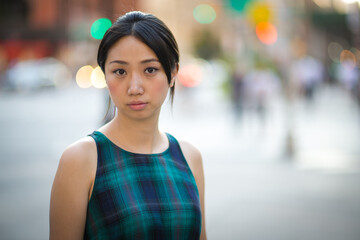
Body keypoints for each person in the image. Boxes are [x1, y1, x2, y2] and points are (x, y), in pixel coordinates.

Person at [50, 11, 206, 240]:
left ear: (172, 73)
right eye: (120, 71)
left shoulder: (189, 156)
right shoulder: (81, 159)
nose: (134, 87)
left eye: (150, 70)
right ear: (105, 76)